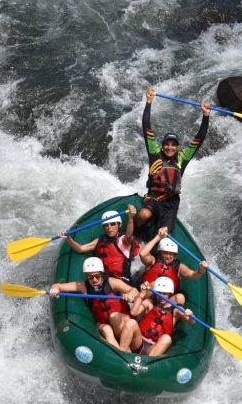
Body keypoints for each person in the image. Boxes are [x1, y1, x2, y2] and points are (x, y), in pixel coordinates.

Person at [137, 87, 211, 234]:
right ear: (162, 145)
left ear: (177, 147)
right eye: (167, 144)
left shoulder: (183, 157)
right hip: (153, 198)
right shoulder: (154, 152)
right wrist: (149, 102)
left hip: (170, 203)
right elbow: (146, 127)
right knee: (143, 215)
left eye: (173, 145)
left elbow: (199, 138)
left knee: (163, 234)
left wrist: (206, 116)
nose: (169, 147)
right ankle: (137, 233)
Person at [49, 257, 142, 352]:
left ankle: (123, 352)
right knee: (106, 329)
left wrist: (130, 295)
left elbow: (134, 291)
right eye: (90, 277)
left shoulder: (112, 282)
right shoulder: (82, 286)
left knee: (123, 320)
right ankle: (121, 354)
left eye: (97, 276)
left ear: (101, 273)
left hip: (125, 329)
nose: (94, 279)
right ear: (86, 276)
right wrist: (54, 289)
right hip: (106, 326)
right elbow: (57, 286)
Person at [58, 205, 139, 283]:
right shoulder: (100, 240)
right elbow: (81, 249)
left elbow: (128, 235)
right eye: (106, 225)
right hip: (102, 280)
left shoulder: (124, 240)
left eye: (112, 224)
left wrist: (130, 218)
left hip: (121, 280)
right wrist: (68, 238)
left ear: (119, 225)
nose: (109, 227)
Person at [138, 227, 208, 306]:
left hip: (165, 301)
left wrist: (201, 270)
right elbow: (142, 254)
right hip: (149, 297)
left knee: (180, 298)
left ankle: (169, 312)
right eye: (165, 253)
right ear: (160, 252)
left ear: (174, 255)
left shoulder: (179, 266)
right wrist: (158, 237)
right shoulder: (153, 260)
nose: (168, 256)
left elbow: (192, 275)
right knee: (155, 284)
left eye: (171, 253)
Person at [129, 276, 194, 357]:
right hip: (138, 341)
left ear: (170, 293)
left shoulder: (176, 309)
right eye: (159, 293)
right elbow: (133, 312)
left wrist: (190, 315)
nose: (161, 296)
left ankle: (148, 361)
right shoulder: (149, 302)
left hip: (153, 347)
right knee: (131, 323)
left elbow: (191, 321)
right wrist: (141, 294)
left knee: (167, 339)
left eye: (165, 293)